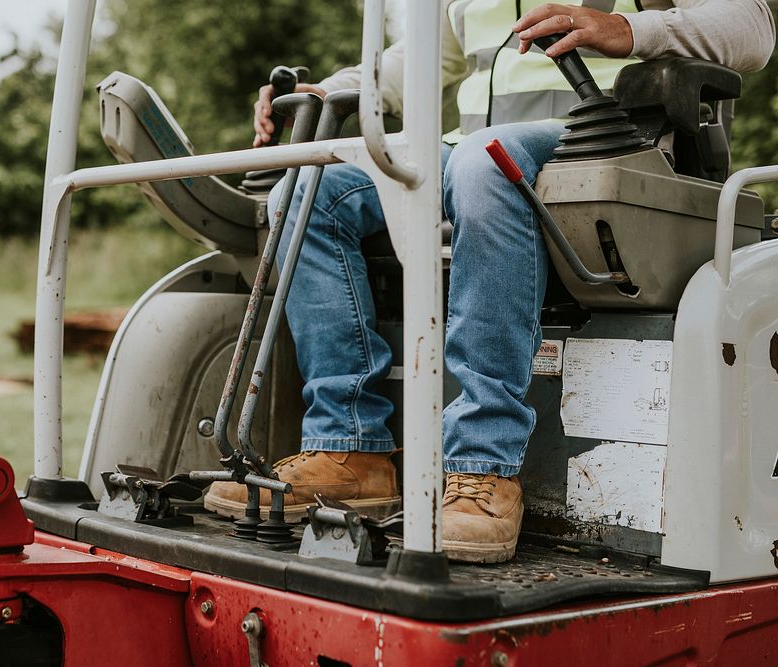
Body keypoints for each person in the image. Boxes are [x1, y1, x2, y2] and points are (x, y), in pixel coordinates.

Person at [206, 0, 775, 563]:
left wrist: (629, 28)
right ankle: (351, 451)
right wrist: (327, 89)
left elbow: (753, 27)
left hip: (604, 142)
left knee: (483, 163)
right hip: (466, 152)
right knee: (303, 193)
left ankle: (485, 469)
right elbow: (423, 62)